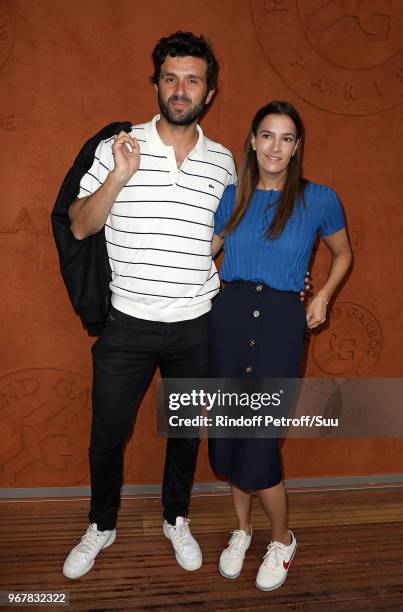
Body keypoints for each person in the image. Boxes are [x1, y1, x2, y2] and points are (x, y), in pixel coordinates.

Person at [62, 31, 237, 579]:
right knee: (107, 432)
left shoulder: (225, 162)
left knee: (185, 431)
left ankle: (175, 517)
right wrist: (118, 175)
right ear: (156, 84)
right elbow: (80, 224)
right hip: (128, 323)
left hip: (195, 324)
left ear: (208, 92)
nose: (180, 89)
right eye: (170, 78)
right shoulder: (120, 144)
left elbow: (224, 234)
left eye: (193, 79)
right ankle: (101, 525)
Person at [209, 100, 352, 591]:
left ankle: (283, 539)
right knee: (228, 431)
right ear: (252, 141)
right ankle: (242, 530)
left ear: (296, 148)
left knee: (260, 439)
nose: (275, 146)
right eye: (266, 135)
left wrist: (324, 298)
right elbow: (202, 256)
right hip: (228, 320)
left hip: (281, 324)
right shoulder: (232, 198)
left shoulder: (320, 199)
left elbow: (343, 253)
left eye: (286, 138)